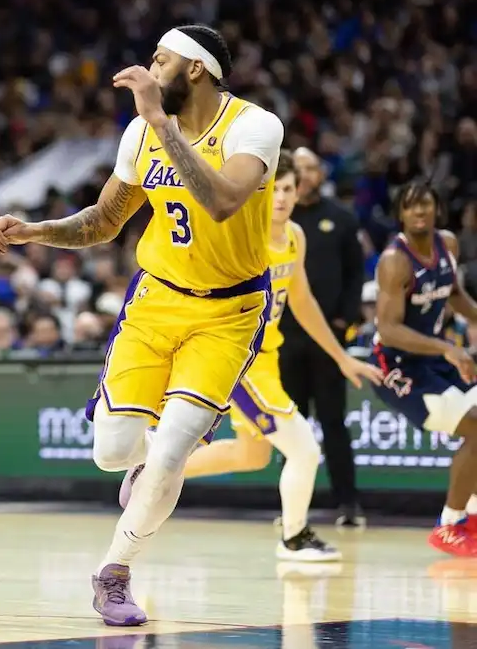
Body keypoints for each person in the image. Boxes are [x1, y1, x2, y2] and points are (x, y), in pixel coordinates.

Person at [0, 24, 284, 626]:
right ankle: (144, 464)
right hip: (155, 300)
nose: (148, 69)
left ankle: (113, 572)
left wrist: (160, 123)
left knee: (174, 449)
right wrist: (36, 230)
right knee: (111, 453)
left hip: (229, 311)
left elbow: (224, 201)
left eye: (160, 60)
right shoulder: (141, 133)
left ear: (195, 70)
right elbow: (103, 222)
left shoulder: (255, 126)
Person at [118, 151, 384, 561]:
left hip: (268, 360)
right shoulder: (246, 232)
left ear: (300, 193)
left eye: (289, 189)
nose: (280, 197)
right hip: (238, 357)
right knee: (305, 450)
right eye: (274, 188)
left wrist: (341, 356)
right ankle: (294, 538)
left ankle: (155, 466)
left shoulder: (295, 235)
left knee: (252, 454)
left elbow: (303, 301)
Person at [369, 179, 477, 557]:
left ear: (436, 209)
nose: (419, 211)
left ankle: (473, 516)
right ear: (401, 213)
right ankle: (449, 524)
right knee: (475, 426)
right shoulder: (394, 261)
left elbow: (455, 295)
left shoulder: (447, 245)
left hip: (434, 357)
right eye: (411, 206)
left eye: (425, 204)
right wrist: (448, 348)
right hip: (397, 366)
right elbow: (388, 329)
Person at [281, 148, 366, 527]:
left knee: (333, 422)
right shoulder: (277, 219)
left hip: (327, 337)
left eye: (311, 168)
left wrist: (344, 321)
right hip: (282, 339)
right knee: (289, 425)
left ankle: (348, 503)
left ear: (321, 174)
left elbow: (355, 276)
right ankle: (292, 510)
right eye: (298, 169)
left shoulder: (342, 219)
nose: (305, 175)